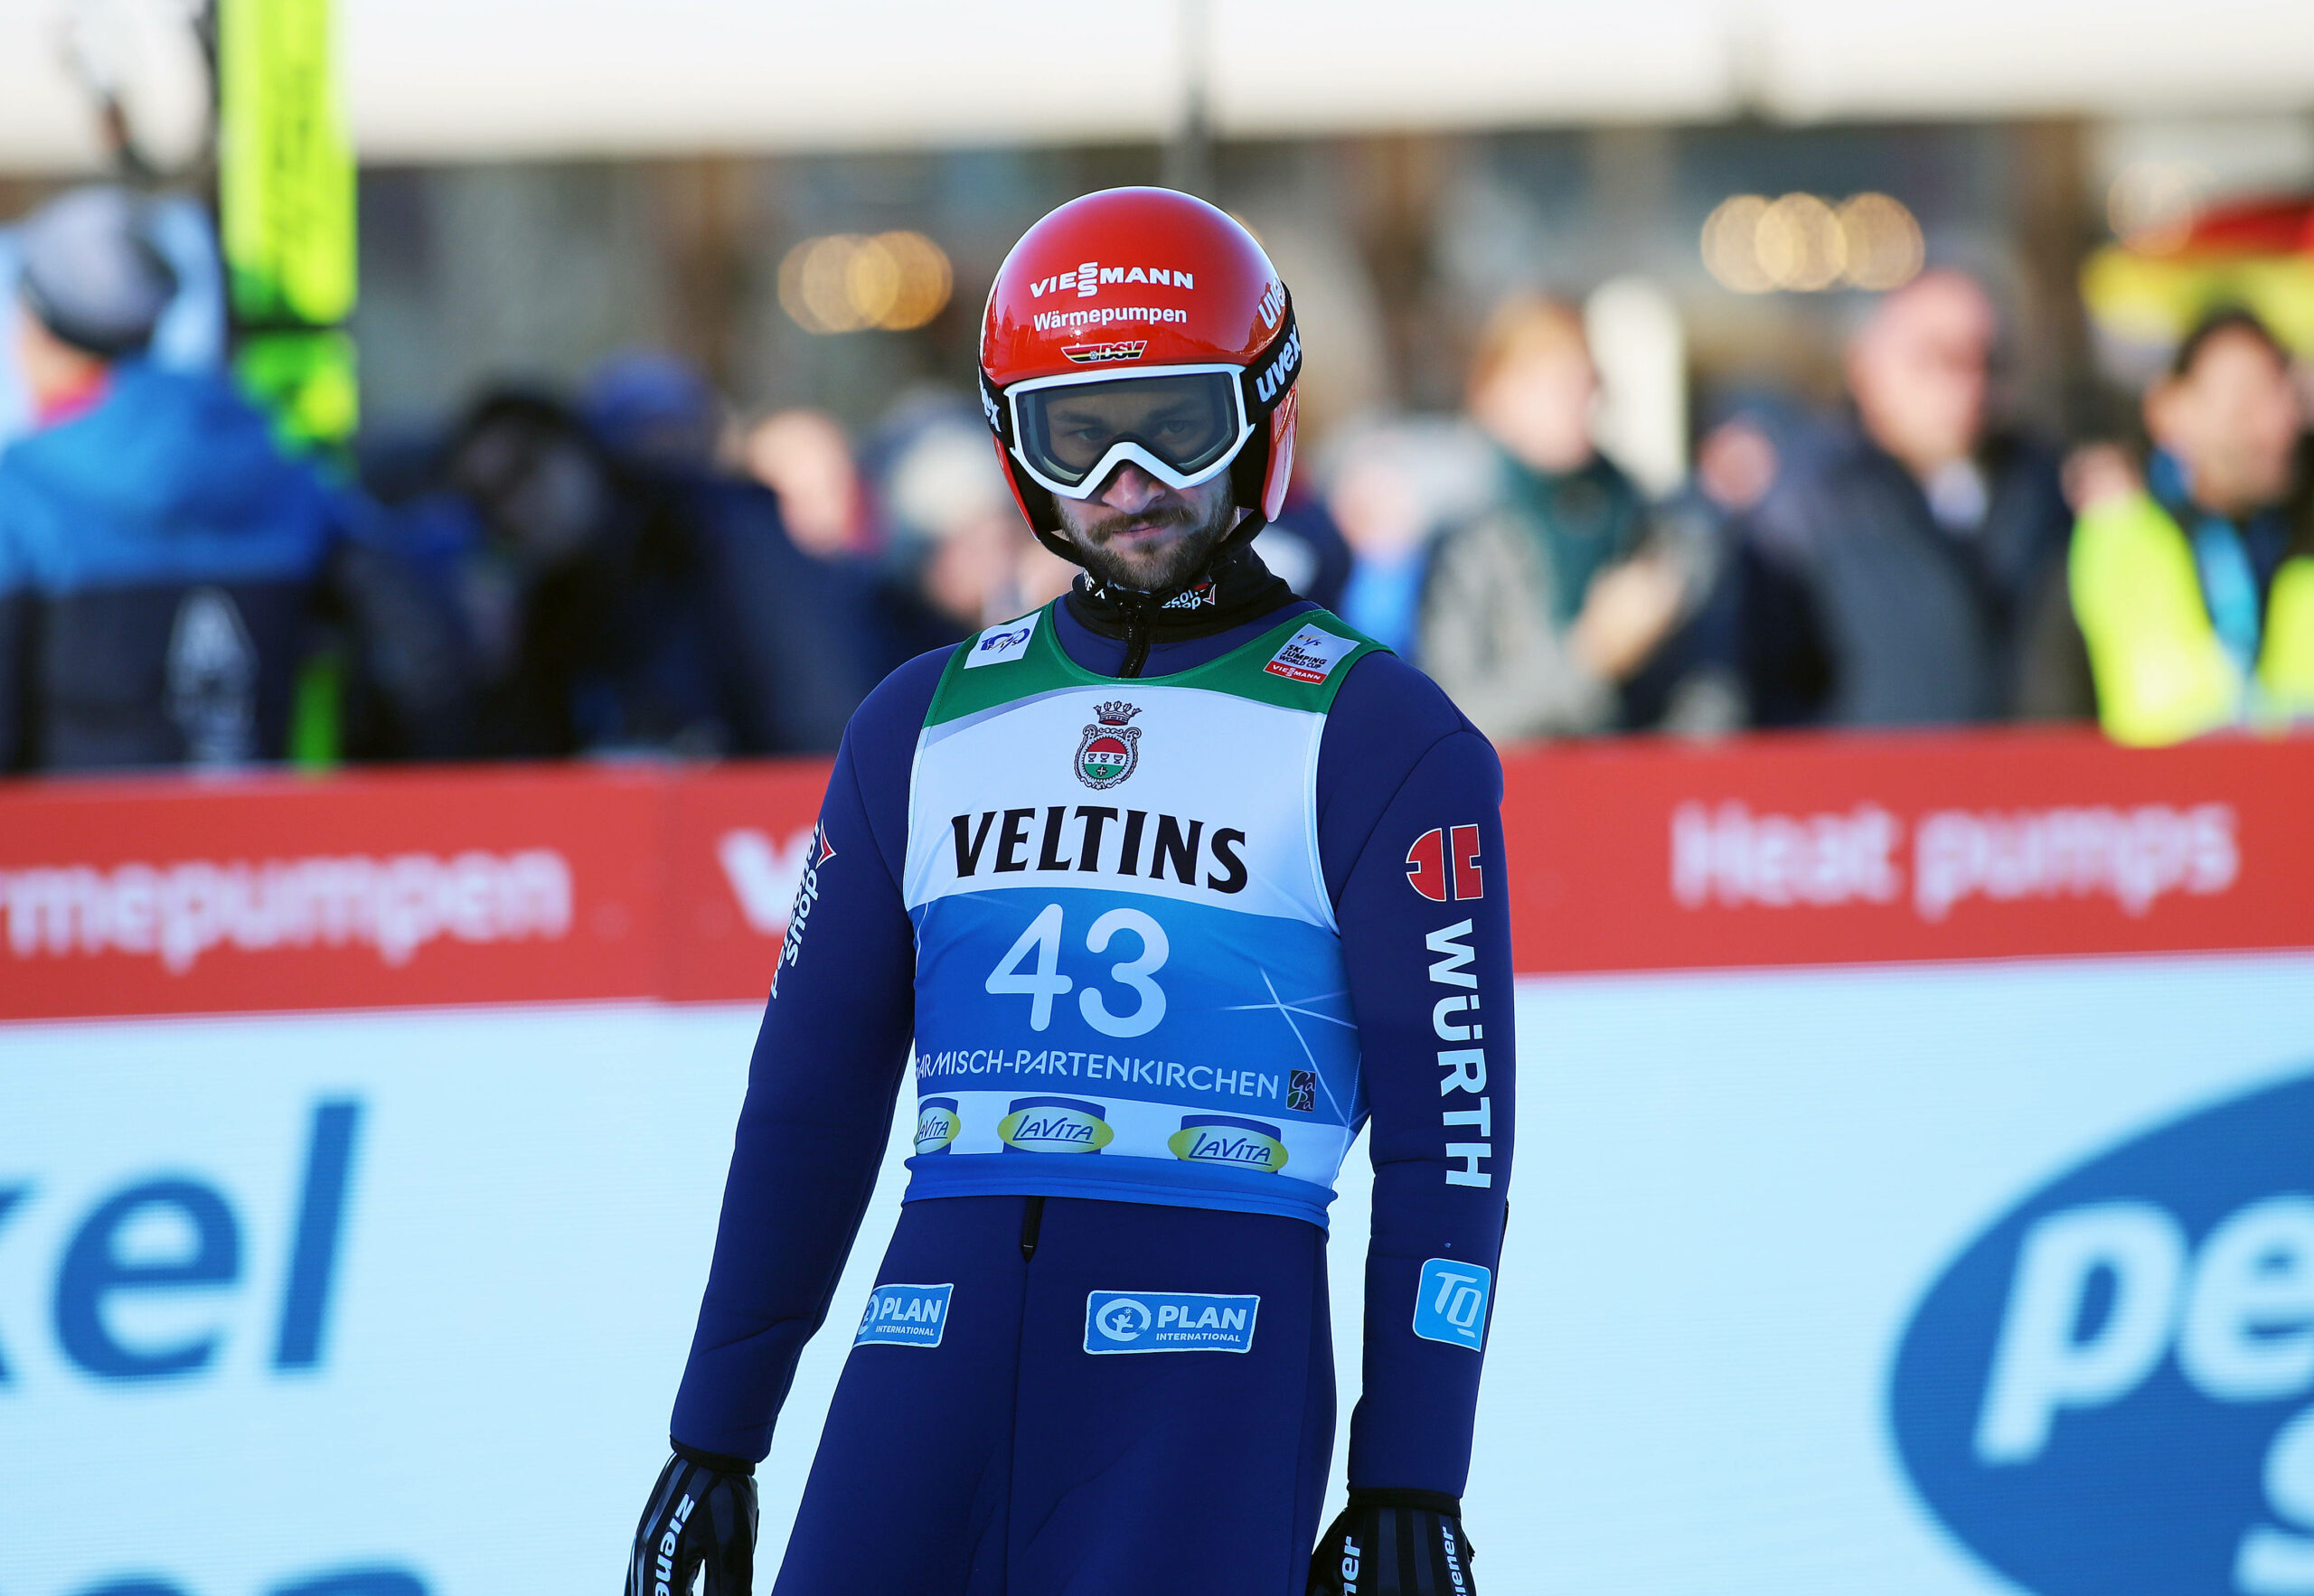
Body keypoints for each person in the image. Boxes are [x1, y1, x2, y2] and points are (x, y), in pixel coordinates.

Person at [626, 187, 1513, 1596]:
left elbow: (1448, 1145)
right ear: (1014, 448)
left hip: (1202, 1394)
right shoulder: (918, 720)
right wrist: (715, 1437)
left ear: (1264, 415)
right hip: (927, 1368)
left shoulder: (1382, 735)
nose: (1127, 481)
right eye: (1073, 433)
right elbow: (807, 1097)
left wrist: (1411, 1470)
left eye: (1176, 425)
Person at [0, 185, 334, 770]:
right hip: (261, 846)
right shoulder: (275, 460)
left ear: (39, 329)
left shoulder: (22, 492)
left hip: (73, 850)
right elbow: (422, 644)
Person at [1738, 268, 2072, 728]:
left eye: (1987, 361)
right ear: (1866, 365)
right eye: (1936, 358)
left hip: (2029, 789)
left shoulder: (2048, 489)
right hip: (1868, 790)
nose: (1967, 384)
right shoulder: (1807, 505)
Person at [1416, 295, 1698, 740]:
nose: (1570, 399)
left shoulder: (1650, 521)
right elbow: (1451, 714)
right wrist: (1589, 658)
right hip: (1519, 796)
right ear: (1491, 394)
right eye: (1543, 381)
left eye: (1581, 379)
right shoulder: (1464, 537)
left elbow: (1707, 698)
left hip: (1638, 790)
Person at [2069, 307, 2314, 744]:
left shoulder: (2300, 530)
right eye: (2245, 405)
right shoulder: (2116, 535)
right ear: (2170, 409)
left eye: (2286, 396)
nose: (2279, 424)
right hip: (2170, 805)